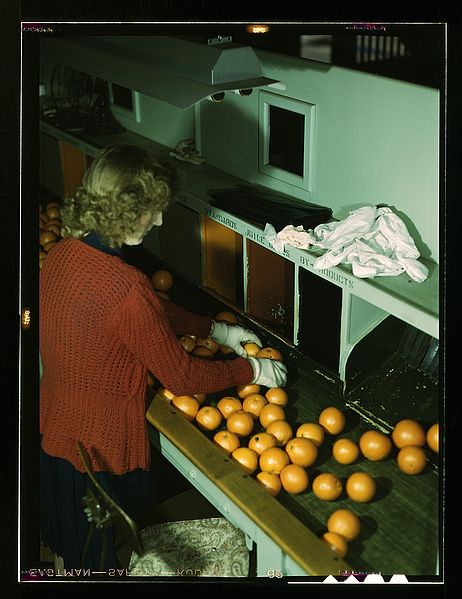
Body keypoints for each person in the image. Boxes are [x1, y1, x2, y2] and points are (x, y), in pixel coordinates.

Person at [39, 144, 287, 571]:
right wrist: (255, 369)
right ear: (124, 210)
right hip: (104, 452)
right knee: (110, 558)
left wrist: (216, 329)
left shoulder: (63, 253)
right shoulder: (126, 286)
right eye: (152, 210)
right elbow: (183, 376)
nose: (159, 220)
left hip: (56, 431)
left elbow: (146, 312)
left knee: (76, 552)